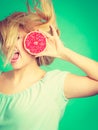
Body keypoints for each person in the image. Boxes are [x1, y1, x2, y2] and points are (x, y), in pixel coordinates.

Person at [0, 0, 98, 130]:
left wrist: (63, 53)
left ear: (33, 38)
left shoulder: (54, 84)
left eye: (16, 38)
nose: (7, 45)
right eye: (4, 39)